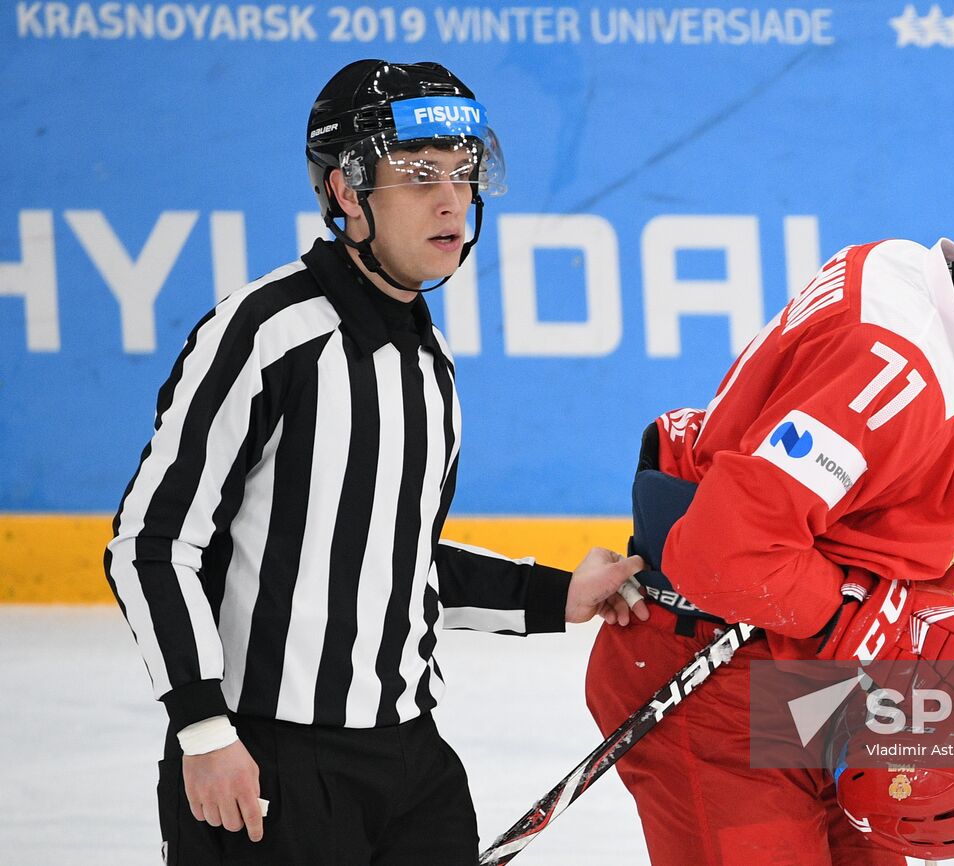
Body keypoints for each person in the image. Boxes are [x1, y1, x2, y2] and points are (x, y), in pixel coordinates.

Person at [104, 58, 646, 865]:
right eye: (420, 174)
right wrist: (204, 730)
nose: (453, 199)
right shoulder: (267, 333)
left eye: (465, 174)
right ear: (345, 192)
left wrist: (556, 594)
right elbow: (150, 544)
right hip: (267, 772)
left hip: (412, 768)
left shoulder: (429, 361)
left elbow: (391, 557)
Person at [586, 211, 954, 864]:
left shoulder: (915, 282)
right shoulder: (890, 362)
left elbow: (903, 547)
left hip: (805, 678)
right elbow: (724, 553)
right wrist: (873, 622)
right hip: (714, 680)